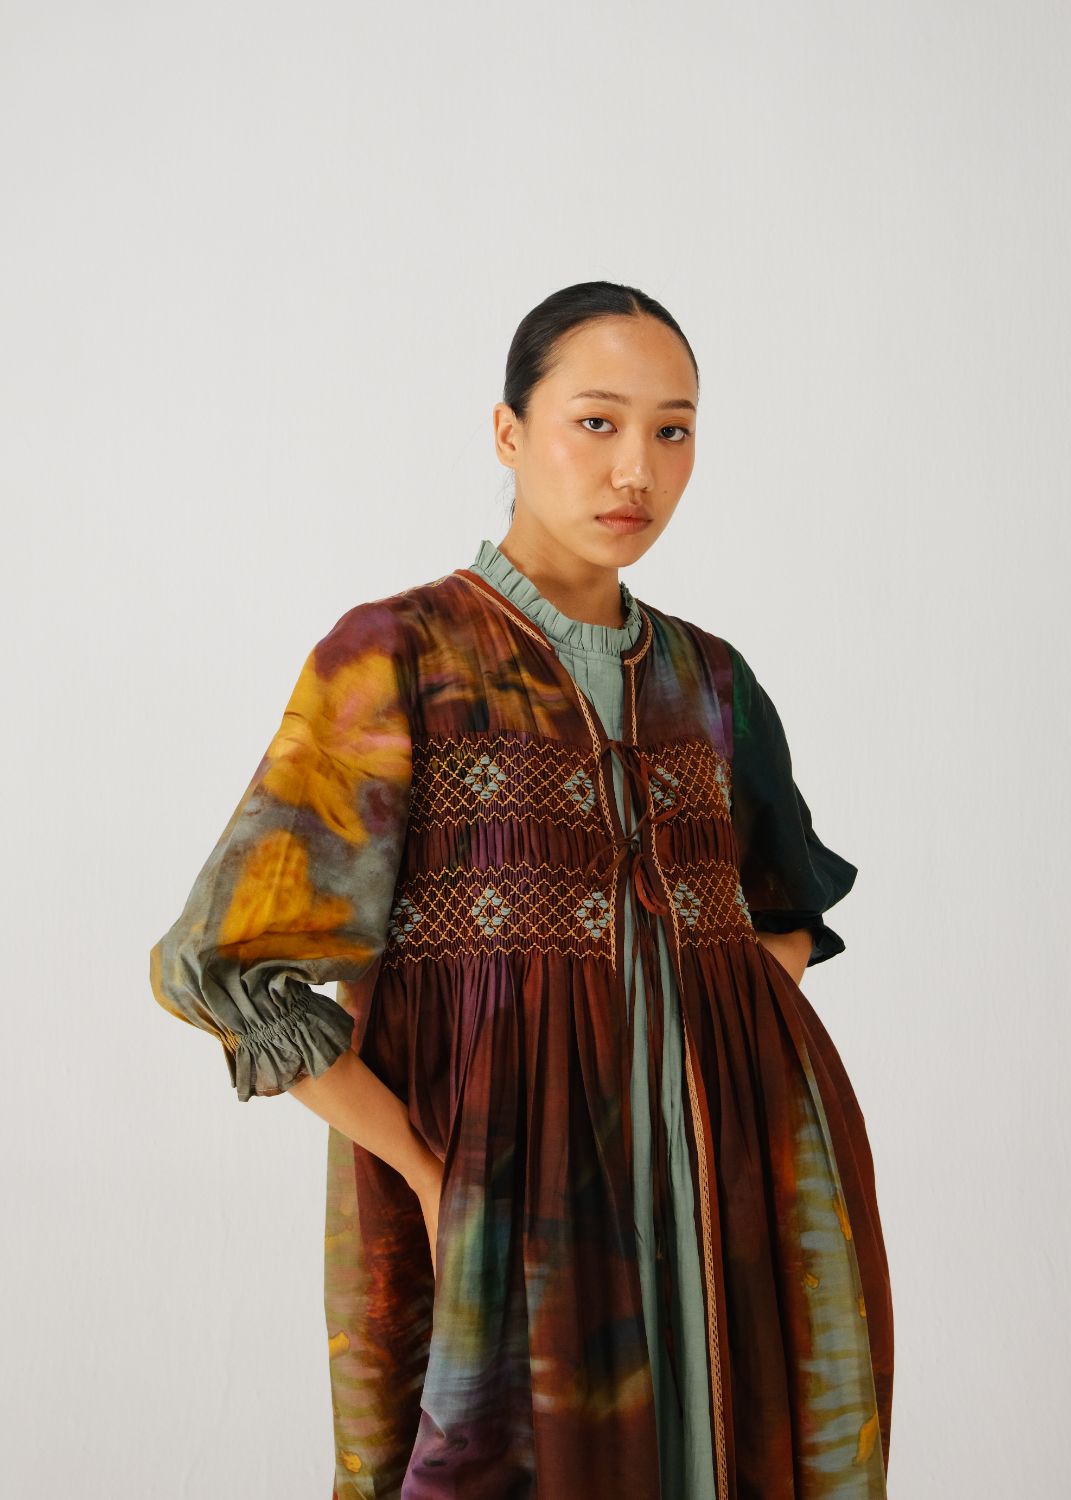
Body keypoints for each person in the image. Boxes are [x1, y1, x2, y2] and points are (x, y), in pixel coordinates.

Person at [149, 280, 894, 1499]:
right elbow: (226, 966)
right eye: (596, 422)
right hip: (505, 1203)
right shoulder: (398, 654)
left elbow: (784, 910)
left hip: (728, 1201)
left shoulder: (713, 681)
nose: (636, 470)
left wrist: (725, 1072)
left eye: (673, 430)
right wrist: (428, 1173)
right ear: (509, 432)